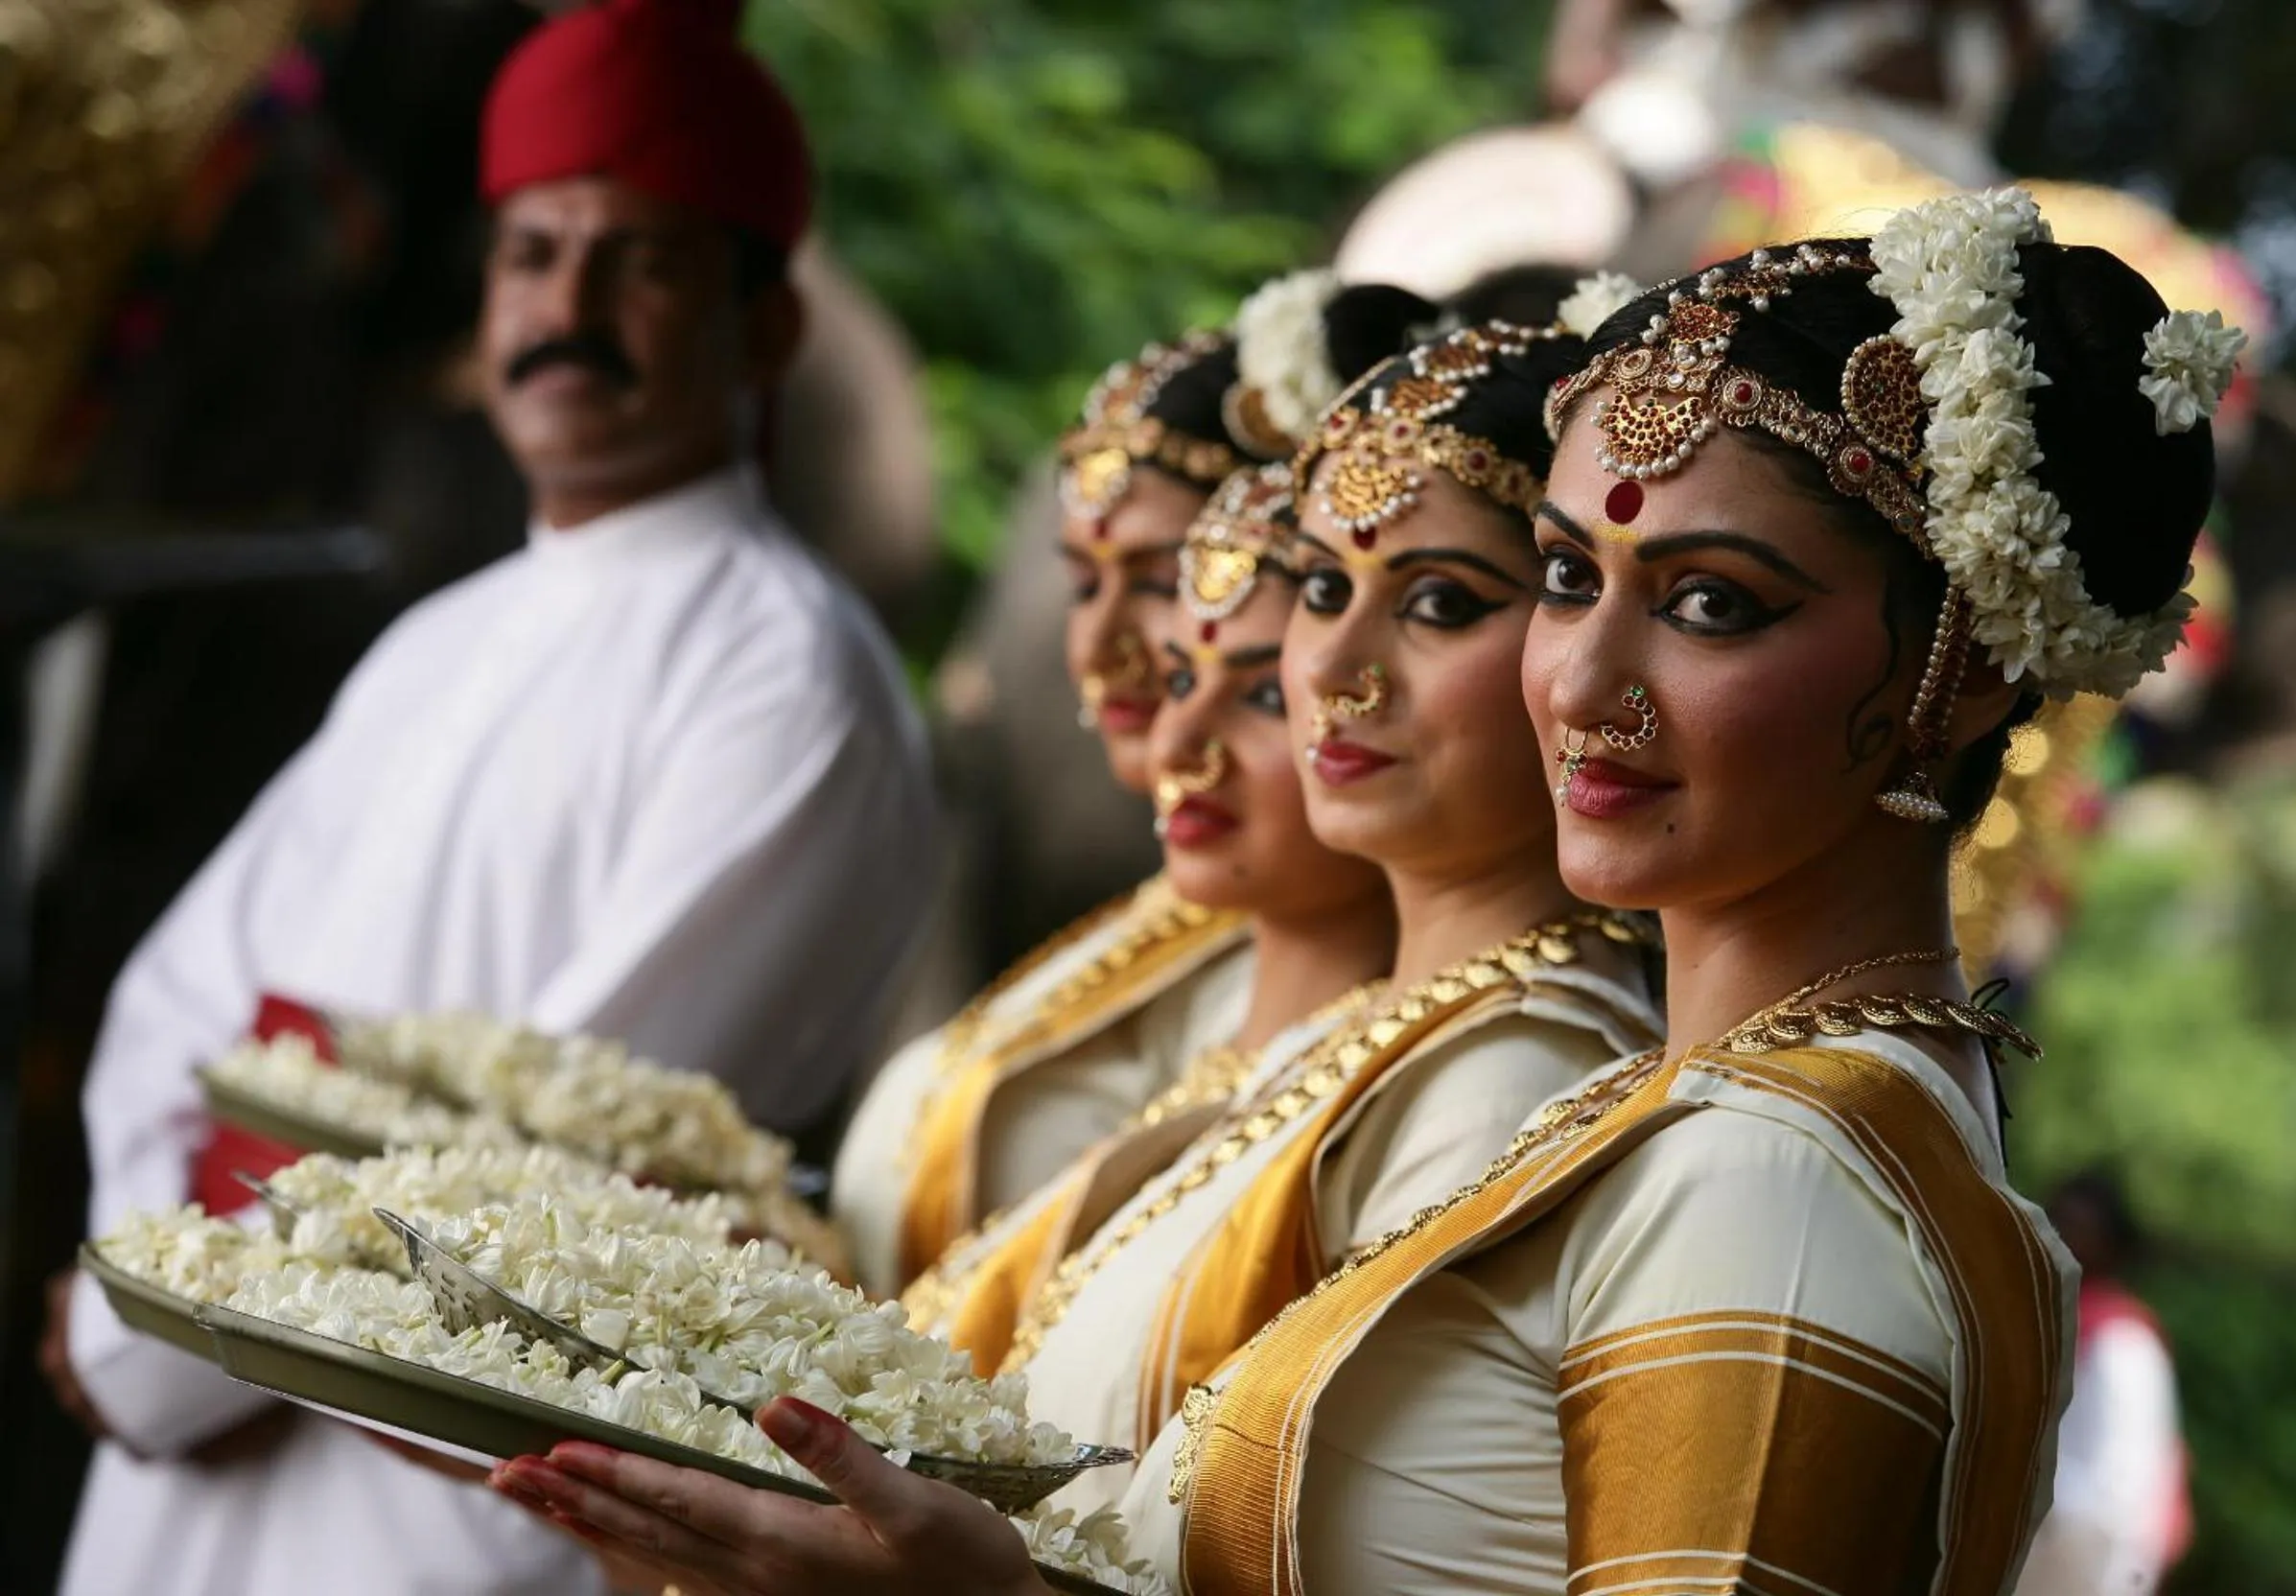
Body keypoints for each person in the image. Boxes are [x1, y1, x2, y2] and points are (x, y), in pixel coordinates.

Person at [481, 189, 2241, 1596]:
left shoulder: (1783, 1181)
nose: (1583, 681)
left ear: (1966, 676)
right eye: (1566, 574)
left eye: (1711, 601)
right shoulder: (1710, 1114)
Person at [480, 294, 1670, 1561]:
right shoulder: (1383, 1039)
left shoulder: (1518, 1090)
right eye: (1324, 587)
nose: (1336, 669)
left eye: (1439, 602)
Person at [43, 1, 938, 1591]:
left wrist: (158, 1346)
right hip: (177, 1473)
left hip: (440, 1524)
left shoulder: (789, 681)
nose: (566, 306)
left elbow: (565, 1167)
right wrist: (148, 1295)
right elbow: (168, 1008)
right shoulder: (433, 640)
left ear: (768, 327)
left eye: (641, 263)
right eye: (534, 254)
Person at [832, 277, 1434, 1297]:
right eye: (1081, 580)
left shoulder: (1337, 972)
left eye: (1161, 583)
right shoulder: (1177, 918)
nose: (1100, 648)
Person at [901, 461, 1398, 1373]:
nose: (1177, 743)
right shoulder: (1184, 957)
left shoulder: (1446, 1091)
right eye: (1181, 679)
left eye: (1261, 697)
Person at [2015, 1171, 2193, 1596]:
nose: (2064, 1238)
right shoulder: (2049, 1325)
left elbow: (2124, 1487)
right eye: (2058, 1223)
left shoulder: (2122, 1343)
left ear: (2111, 1246)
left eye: (2080, 1229)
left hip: (2091, 1563)